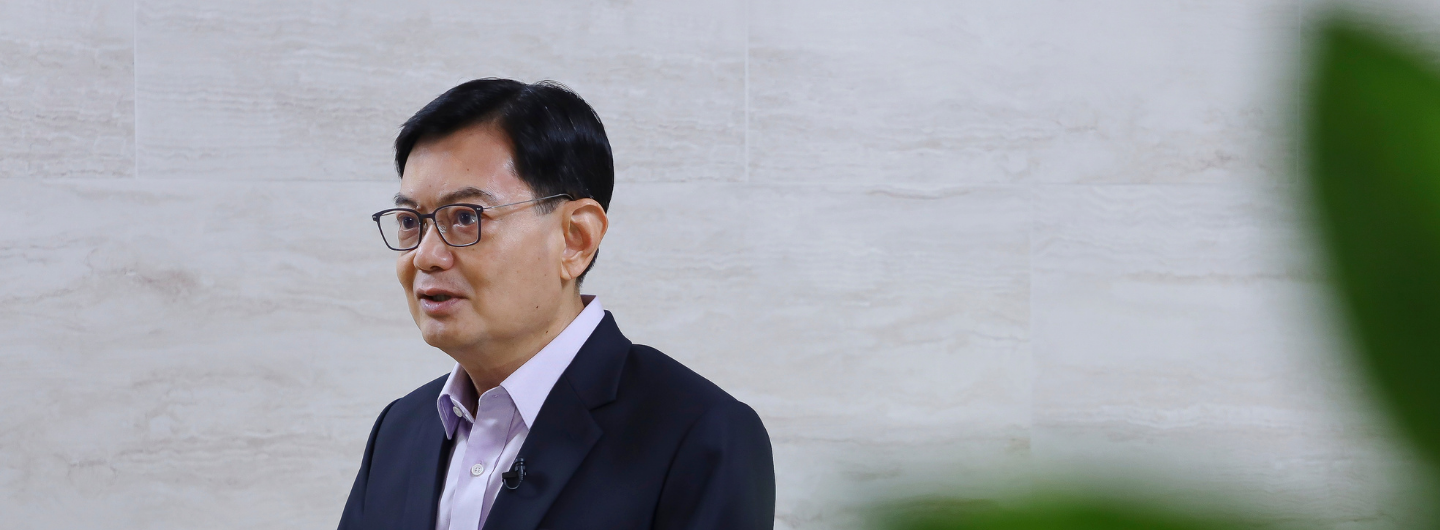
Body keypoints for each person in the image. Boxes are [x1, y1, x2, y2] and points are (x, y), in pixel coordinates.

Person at [337, 79, 775, 530]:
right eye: (411, 221)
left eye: (466, 217)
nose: (426, 256)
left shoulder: (699, 434)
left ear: (575, 239)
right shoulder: (399, 431)